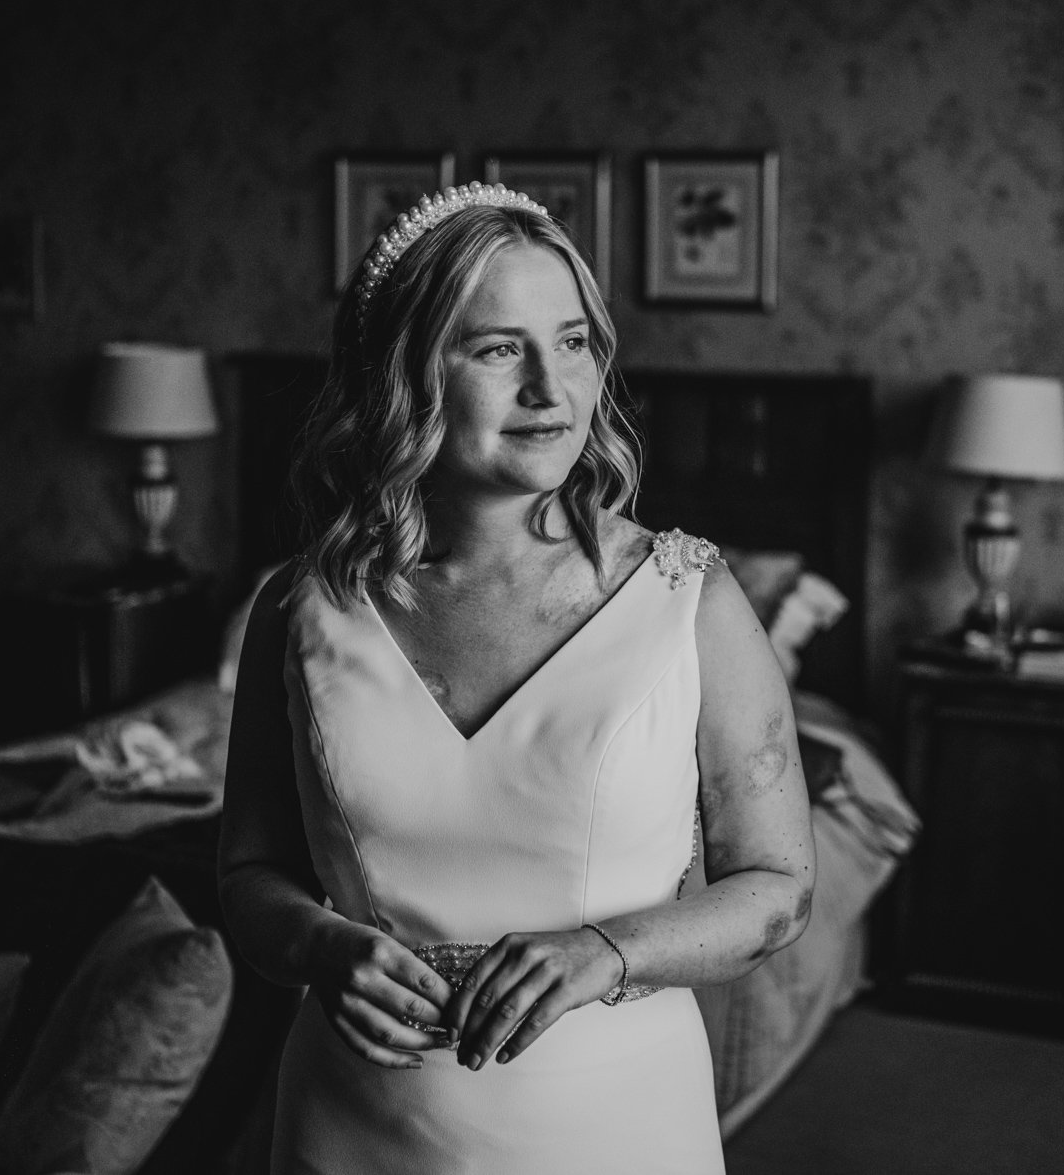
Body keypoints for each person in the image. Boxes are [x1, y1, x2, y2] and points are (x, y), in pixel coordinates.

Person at [218, 183, 816, 1174]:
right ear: (405, 374)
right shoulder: (298, 607)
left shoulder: (689, 600)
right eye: (499, 348)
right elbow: (248, 876)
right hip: (355, 1124)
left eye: (574, 341)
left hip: (612, 1127)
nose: (552, 387)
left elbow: (781, 888)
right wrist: (323, 947)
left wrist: (609, 952)